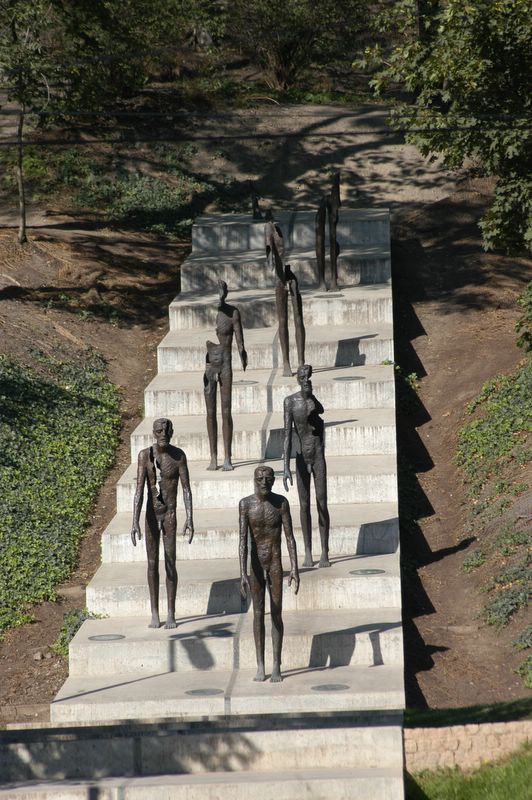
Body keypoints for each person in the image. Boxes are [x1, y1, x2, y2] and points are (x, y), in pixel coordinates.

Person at [131, 418, 194, 629]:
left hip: (170, 514)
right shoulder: (144, 456)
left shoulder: (178, 456)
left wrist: (190, 518)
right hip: (151, 514)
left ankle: (171, 612)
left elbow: (186, 489)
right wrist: (134, 521)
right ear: (154, 433)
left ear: (172, 432)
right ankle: (155, 613)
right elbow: (139, 490)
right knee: (152, 564)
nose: (163, 433)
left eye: (166, 430)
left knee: (170, 563)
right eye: (159, 430)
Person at [239, 465, 299, 682]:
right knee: (257, 614)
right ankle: (260, 664)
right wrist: (243, 572)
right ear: (254, 480)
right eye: (260, 478)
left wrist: (294, 568)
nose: (264, 482)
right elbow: (243, 541)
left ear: (273, 481)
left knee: (276, 612)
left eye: (268, 478)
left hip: (274, 561)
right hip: (255, 563)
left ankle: (276, 663)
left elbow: (290, 537)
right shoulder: (246, 504)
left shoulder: (281, 503)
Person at [283, 364, 331, 568]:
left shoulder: (313, 401)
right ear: (297, 378)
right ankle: (308, 552)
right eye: (302, 377)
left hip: (318, 455)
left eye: (308, 377)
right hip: (301, 457)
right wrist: (285, 466)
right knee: (304, 506)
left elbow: (321, 411)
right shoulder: (290, 402)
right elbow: (286, 436)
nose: (305, 379)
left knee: (321, 503)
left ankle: (325, 552)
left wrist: (311, 396)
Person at [203, 280, 247, 471]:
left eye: (223, 291)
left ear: (227, 292)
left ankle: (227, 457)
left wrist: (243, 352)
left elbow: (239, 338)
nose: (220, 296)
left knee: (226, 411)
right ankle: (214, 457)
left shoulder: (233, 313)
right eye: (218, 292)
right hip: (211, 364)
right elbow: (218, 304)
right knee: (210, 412)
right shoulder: (216, 311)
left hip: (226, 364)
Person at [265, 220, 306, 377]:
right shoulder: (269, 229)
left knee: (298, 318)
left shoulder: (278, 229)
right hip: (279, 280)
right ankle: (286, 363)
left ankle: (301, 361)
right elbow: (270, 258)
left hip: (290, 277)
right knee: (283, 321)